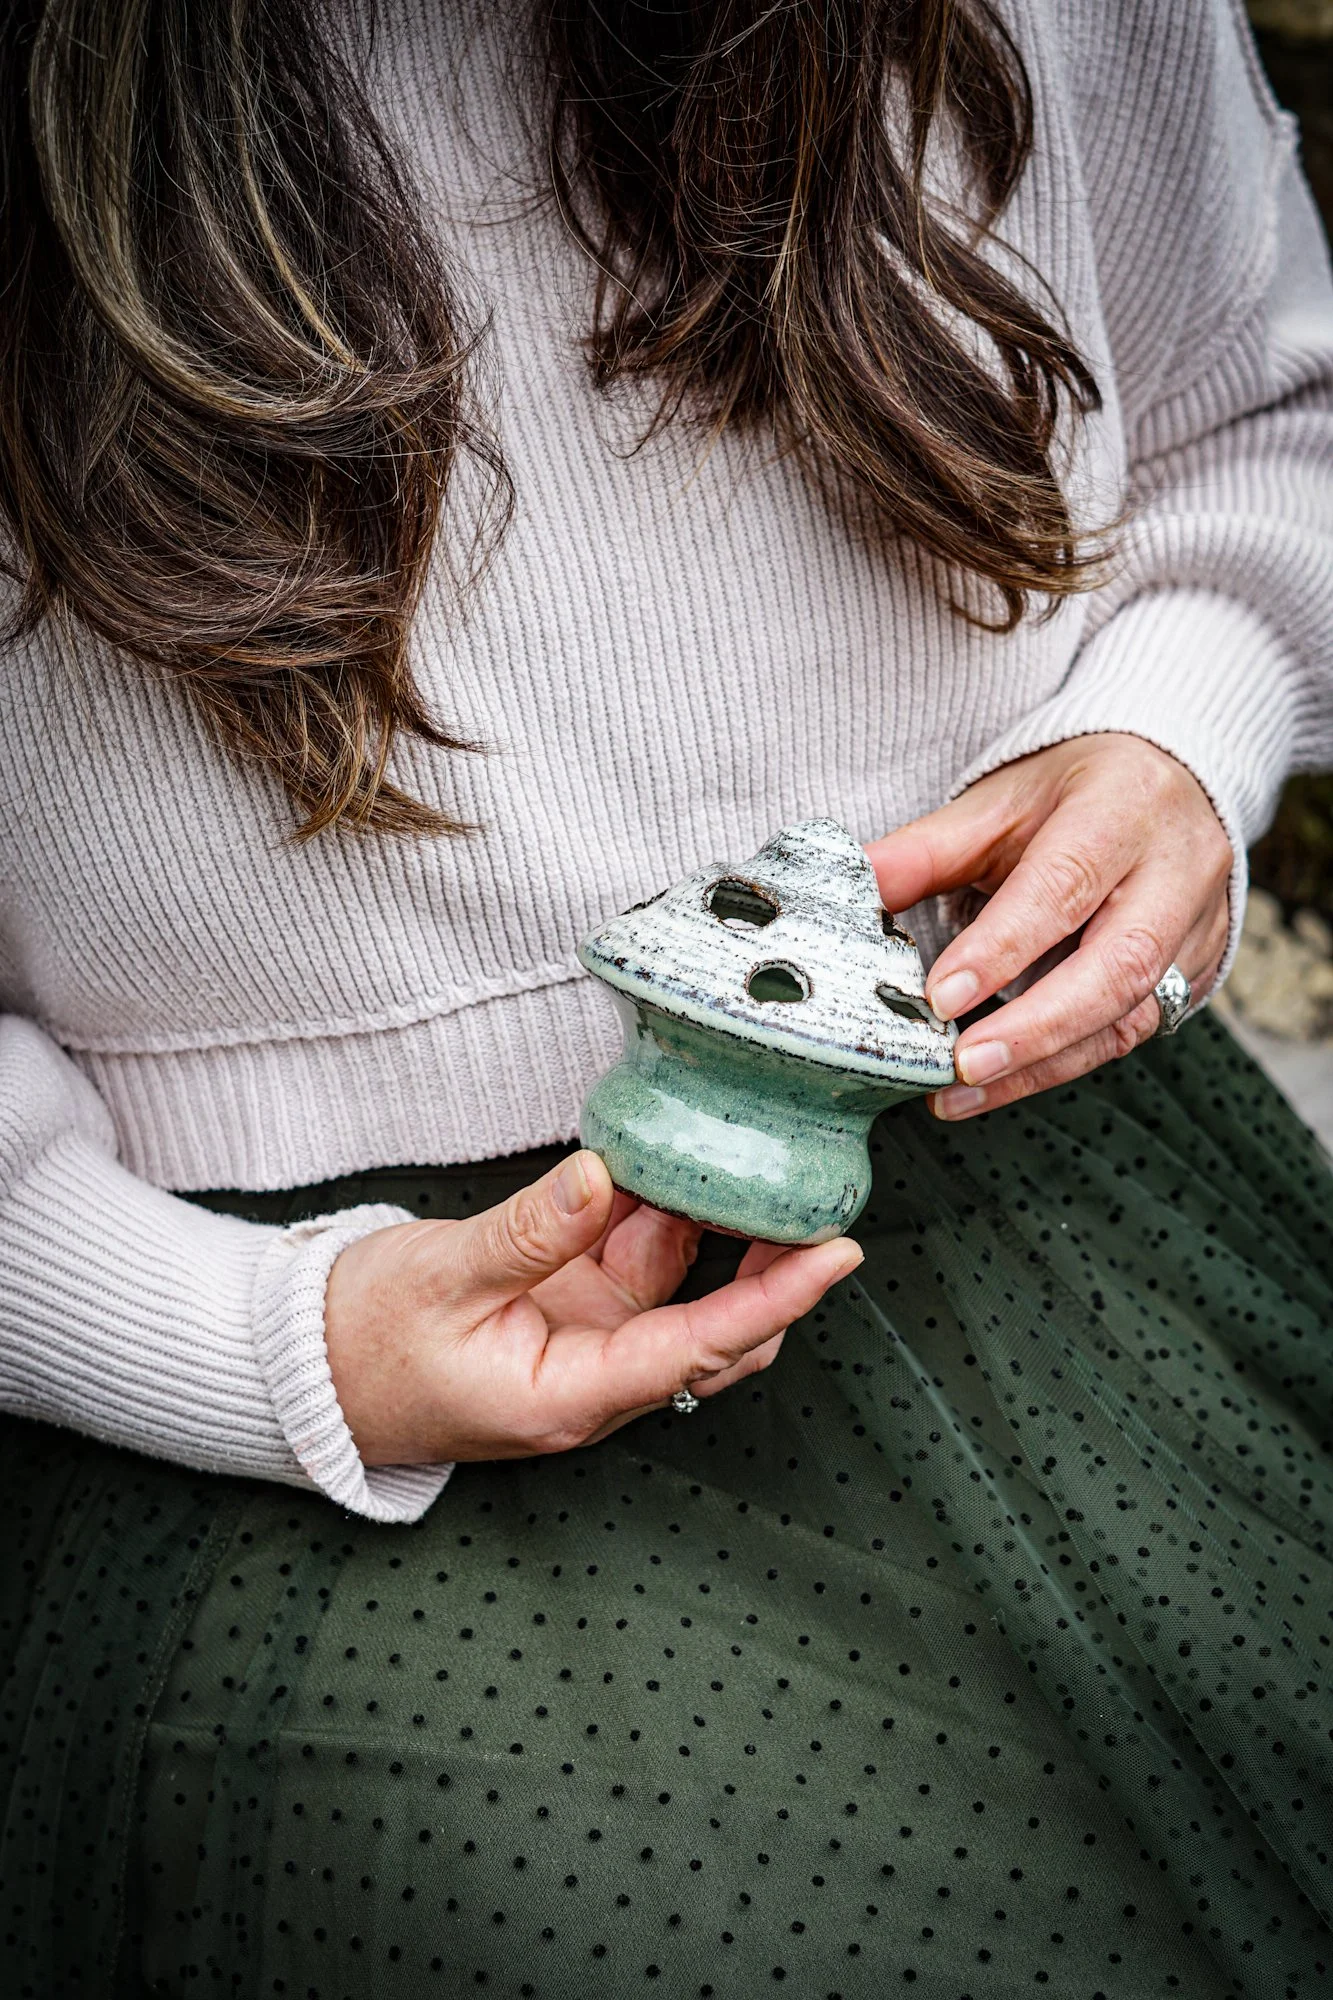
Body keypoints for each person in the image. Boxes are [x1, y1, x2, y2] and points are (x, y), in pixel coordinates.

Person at [1, 0, 1330, 1992]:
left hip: (1064, 1213)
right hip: (281, 1367)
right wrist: (249, 1340)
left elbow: (1268, 410)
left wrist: (1188, 725)